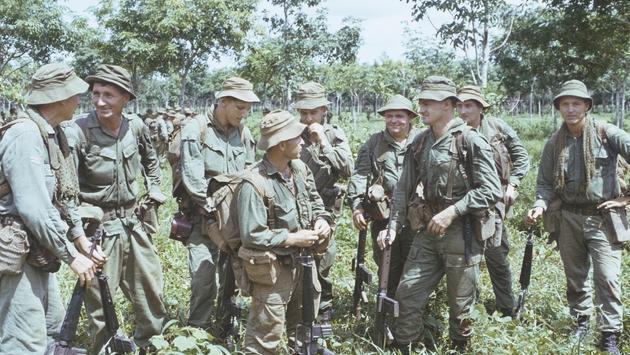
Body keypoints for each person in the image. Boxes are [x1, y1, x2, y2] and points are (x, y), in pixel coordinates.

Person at [377, 76, 502, 352]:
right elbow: (403, 190)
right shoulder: (420, 143)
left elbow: (492, 190)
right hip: (427, 232)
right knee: (407, 293)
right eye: (420, 102)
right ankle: (406, 345)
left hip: (462, 233)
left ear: (448, 105)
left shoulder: (470, 141)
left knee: (461, 304)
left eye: (427, 103)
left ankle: (460, 346)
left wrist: (453, 212)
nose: (421, 109)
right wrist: (393, 226)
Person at [0, 63, 104, 354]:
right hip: (16, 254)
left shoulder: (55, 135)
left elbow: (64, 196)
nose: (79, 100)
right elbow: (34, 208)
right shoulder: (25, 136)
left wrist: (80, 240)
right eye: (74, 94)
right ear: (58, 98)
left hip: (38, 249)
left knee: (51, 328)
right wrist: (72, 256)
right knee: (23, 340)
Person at [63, 64, 167, 353]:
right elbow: (68, 191)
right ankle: (107, 349)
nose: (99, 101)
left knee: (151, 293)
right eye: (96, 94)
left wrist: (155, 187)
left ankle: (149, 346)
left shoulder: (136, 126)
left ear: (126, 98)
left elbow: (151, 160)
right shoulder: (78, 132)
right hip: (98, 231)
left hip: (134, 225)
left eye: (108, 95)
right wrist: (77, 236)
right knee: (99, 303)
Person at [525, 80, 629, 354]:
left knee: (607, 277)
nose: (570, 109)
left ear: (586, 106)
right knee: (575, 277)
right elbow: (545, 183)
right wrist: (540, 205)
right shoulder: (554, 142)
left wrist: (625, 199)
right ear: (559, 107)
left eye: (576, 103)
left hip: (603, 217)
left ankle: (609, 334)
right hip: (569, 218)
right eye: (565, 104)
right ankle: (580, 323)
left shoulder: (607, 133)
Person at [236, 110, 333, 354]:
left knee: (303, 331)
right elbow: (252, 234)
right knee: (264, 339)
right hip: (273, 271)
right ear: (280, 145)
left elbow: (315, 200)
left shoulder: (299, 168)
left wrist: (321, 220)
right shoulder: (254, 183)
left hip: (305, 265)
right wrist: (292, 238)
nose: (302, 142)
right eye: (296, 138)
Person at [179, 77, 258, 330]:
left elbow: (250, 174)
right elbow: (192, 179)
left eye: (248, 108)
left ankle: (224, 327)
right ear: (223, 102)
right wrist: (214, 211)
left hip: (233, 222)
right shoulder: (196, 129)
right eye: (240, 107)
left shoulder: (244, 133)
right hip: (202, 219)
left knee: (231, 277)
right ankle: (196, 333)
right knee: (203, 279)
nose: (244, 113)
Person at [457, 85, 530, 316]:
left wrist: (513, 184)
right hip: (464, 201)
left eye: (468, 105)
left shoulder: (497, 128)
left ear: (480, 107)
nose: (463, 111)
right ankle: (470, 307)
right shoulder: (454, 130)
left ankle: (506, 308)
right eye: (459, 106)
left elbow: (521, 156)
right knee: (467, 256)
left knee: (496, 255)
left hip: (493, 202)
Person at [347, 94, 422, 296]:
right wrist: (357, 206)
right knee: (387, 266)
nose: (394, 121)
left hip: (415, 215)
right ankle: (387, 309)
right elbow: (360, 174)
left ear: (410, 118)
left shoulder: (423, 140)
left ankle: (410, 314)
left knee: (415, 267)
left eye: (399, 116)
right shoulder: (374, 143)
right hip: (385, 215)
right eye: (389, 116)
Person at [294, 81, 353, 320]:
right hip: (295, 208)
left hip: (325, 211)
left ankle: (323, 311)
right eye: (303, 112)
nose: (308, 118)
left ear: (323, 111)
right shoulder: (290, 132)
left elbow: (348, 168)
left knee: (323, 261)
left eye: (313, 112)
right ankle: (297, 312)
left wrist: (323, 143)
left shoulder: (334, 135)